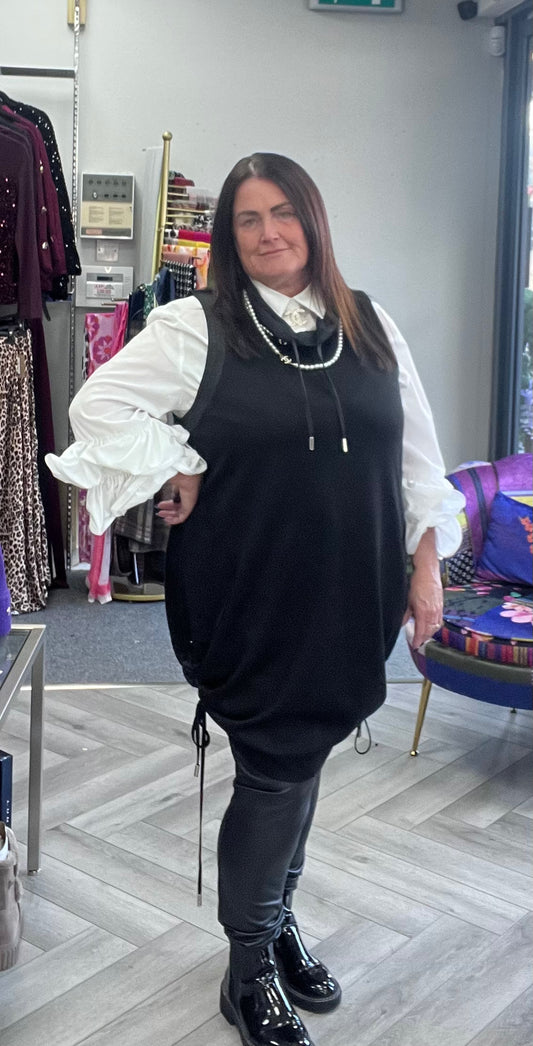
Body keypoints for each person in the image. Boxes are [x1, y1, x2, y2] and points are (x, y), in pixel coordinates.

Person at [47, 152, 464, 1046]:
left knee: (303, 761)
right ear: (227, 237)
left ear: (313, 220)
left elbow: (418, 464)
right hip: (253, 591)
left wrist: (425, 568)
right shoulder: (194, 328)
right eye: (248, 218)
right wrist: (180, 459)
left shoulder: (370, 323)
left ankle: (274, 922)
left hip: (354, 590)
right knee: (274, 770)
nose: (269, 232)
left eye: (284, 212)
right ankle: (247, 970)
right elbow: (97, 408)